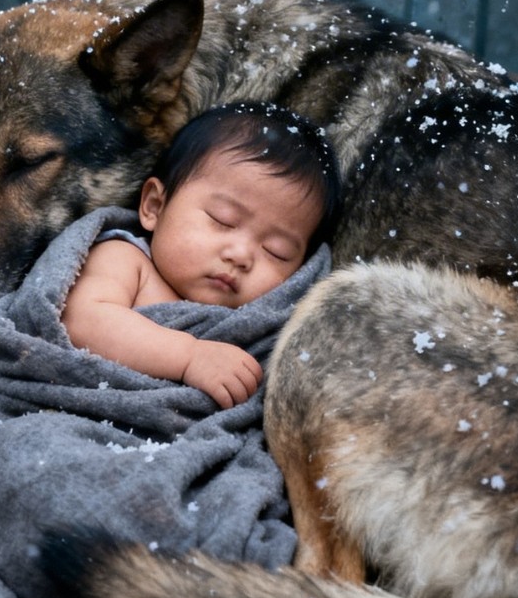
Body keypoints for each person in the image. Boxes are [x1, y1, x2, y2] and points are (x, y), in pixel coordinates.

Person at [61, 102, 341, 409]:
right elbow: (81, 321)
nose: (240, 255)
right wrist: (189, 356)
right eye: (223, 220)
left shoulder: (268, 326)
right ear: (155, 206)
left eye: (277, 251)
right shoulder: (124, 258)